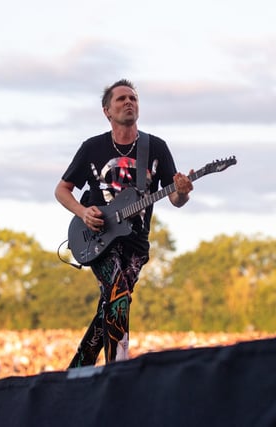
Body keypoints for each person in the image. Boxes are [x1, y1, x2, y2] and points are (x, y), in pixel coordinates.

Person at [54, 79, 194, 367]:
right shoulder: (92, 148)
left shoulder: (155, 147)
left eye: (133, 98)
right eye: (121, 99)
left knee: (113, 302)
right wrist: (83, 213)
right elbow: (61, 190)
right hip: (98, 238)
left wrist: (181, 191)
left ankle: (79, 369)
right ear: (107, 110)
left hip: (136, 243)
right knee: (118, 291)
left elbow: (175, 201)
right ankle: (118, 366)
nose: (129, 102)